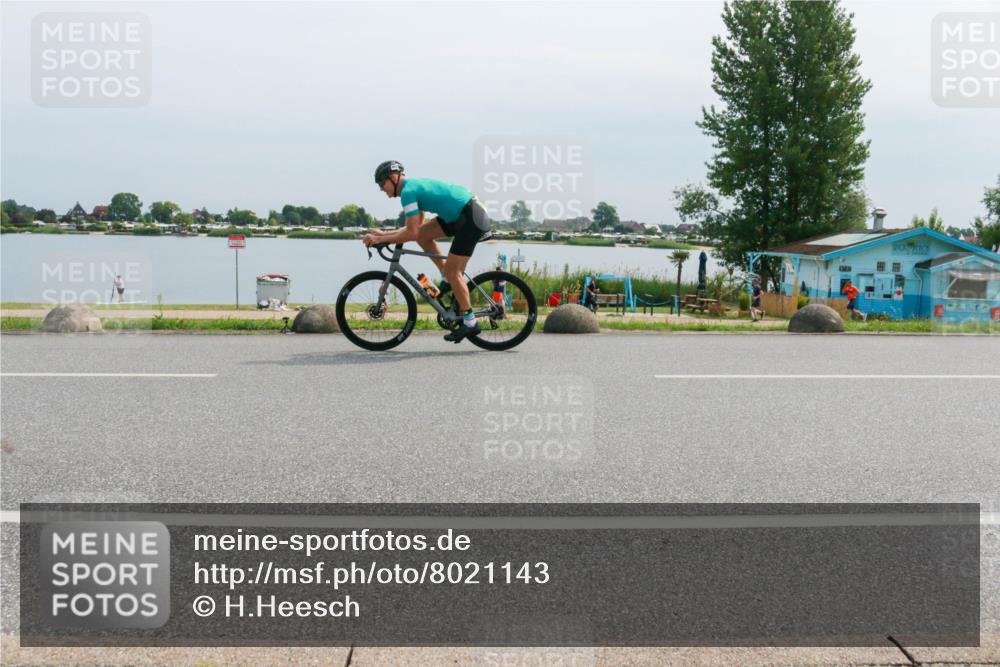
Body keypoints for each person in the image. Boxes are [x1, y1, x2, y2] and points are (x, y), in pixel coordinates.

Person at [364, 161, 492, 343]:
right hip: (461, 214)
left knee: (453, 270)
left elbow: (411, 232)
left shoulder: (408, 193)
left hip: (470, 216)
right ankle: (447, 277)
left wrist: (381, 238)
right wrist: (385, 235)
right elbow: (417, 229)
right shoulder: (412, 188)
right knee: (423, 237)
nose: (381, 189)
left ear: (393, 178)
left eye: (381, 184)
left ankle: (470, 323)